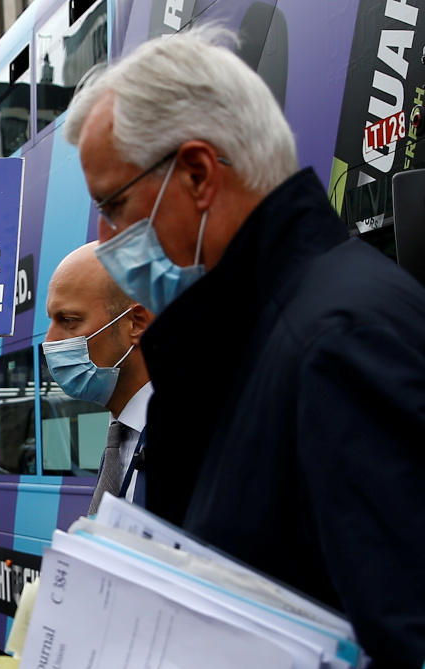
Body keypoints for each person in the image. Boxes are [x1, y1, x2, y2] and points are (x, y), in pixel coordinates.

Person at [64, 28, 425, 668]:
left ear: (199, 173)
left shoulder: (336, 344)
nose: (103, 237)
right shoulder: (249, 343)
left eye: (114, 204)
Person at [42, 242, 153, 511]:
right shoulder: (119, 442)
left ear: (135, 323)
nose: (49, 341)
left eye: (69, 320)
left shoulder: (201, 438)